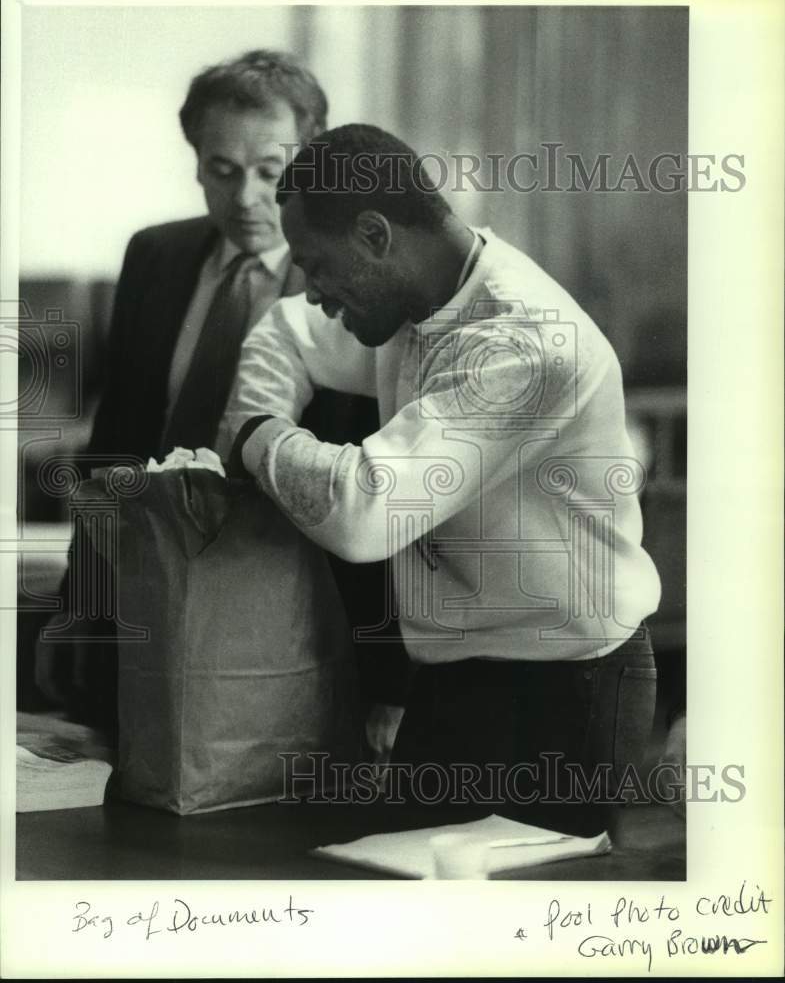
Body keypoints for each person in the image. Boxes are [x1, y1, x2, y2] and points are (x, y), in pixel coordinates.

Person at [222, 123, 663, 836]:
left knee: (527, 924)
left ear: (374, 235)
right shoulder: (410, 295)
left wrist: (255, 437)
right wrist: (260, 406)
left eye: (316, 267)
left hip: (569, 688)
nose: (313, 294)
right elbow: (282, 332)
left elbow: (365, 513)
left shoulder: (522, 343)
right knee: (410, 902)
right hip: (455, 674)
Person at [37, 55, 407, 744]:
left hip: (298, 621)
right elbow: (113, 448)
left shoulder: (357, 278)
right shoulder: (155, 256)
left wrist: (387, 680)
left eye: (272, 172)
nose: (246, 198)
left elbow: (385, 486)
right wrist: (77, 604)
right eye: (222, 170)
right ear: (196, 161)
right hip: (151, 599)